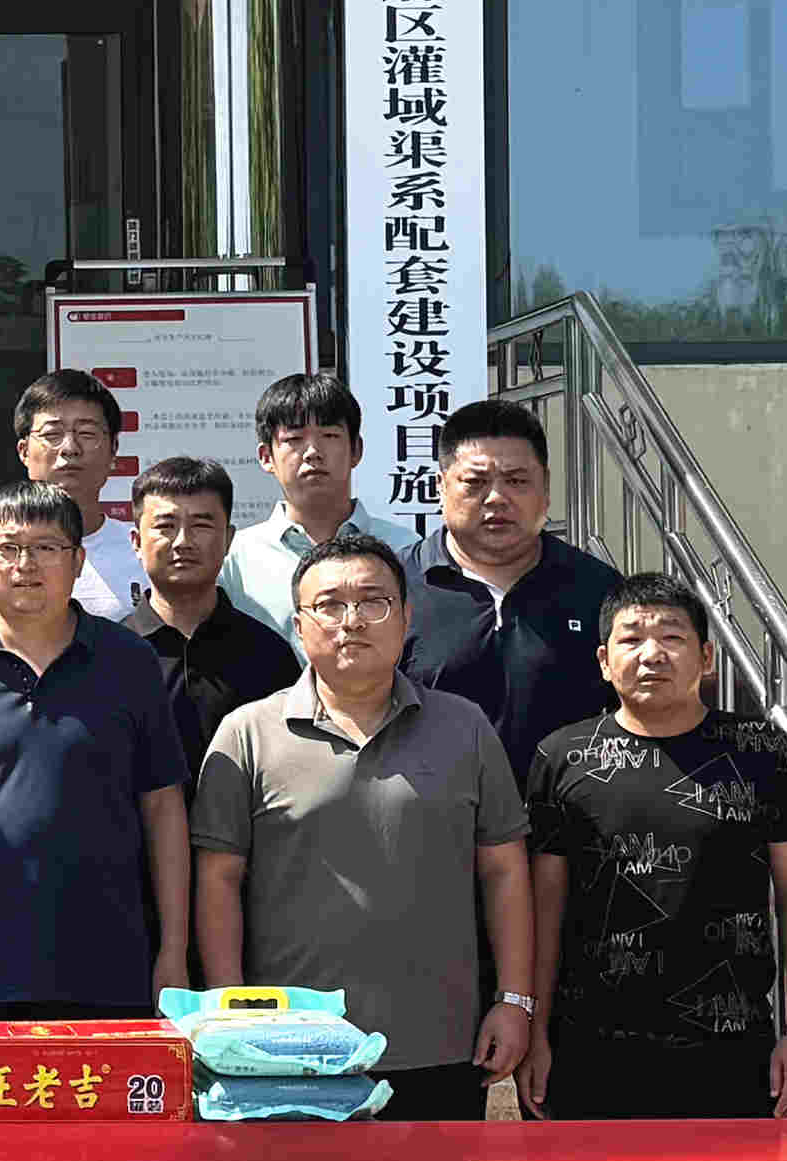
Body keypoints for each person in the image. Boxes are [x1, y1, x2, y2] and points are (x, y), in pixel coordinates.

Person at [188, 542, 536, 1122]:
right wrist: (232, 1013)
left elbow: (504, 869)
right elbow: (218, 880)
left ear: (407, 617)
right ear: (299, 624)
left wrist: (514, 1000)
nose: (351, 621)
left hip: (437, 1042)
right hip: (288, 1050)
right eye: (329, 605)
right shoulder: (247, 733)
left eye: (374, 602)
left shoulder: (464, 727)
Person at [524, 575, 787, 1125]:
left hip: (729, 1047)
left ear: (706, 657)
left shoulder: (760, 750)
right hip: (588, 1048)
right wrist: (536, 1033)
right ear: (603, 661)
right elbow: (545, 909)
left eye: (672, 637)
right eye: (631, 639)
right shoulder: (563, 756)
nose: (652, 654)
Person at [0, 485, 191, 1019]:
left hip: (111, 968)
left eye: (46, 548)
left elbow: (163, 808)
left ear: (78, 562)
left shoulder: (130, 662)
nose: (25, 565)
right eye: (7, 548)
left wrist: (172, 950)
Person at [409, 397, 622, 786]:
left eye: (517, 481)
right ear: (441, 487)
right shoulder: (395, 588)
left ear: (546, 488)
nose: (496, 498)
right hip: (432, 816)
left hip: (566, 816)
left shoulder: (598, 588)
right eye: (475, 482)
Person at [120, 456, 299, 775]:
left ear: (229, 539)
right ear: (136, 542)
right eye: (166, 526)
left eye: (201, 525)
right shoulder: (109, 655)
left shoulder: (269, 655)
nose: (183, 542)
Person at [223, 370, 399, 629]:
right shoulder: (234, 558)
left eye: (330, 436)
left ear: (356, 450)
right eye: (294, 439)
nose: (313, 452)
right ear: (266, 457)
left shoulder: (403, 548)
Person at [11, 368, 150, 621]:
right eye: (52, 434)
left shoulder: (145, 552)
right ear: (24, 451)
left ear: (113, 449)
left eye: (86, 433)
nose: (70, 448)